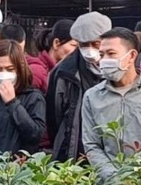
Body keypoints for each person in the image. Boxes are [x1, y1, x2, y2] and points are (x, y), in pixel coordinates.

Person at [81, 28, 141, 183]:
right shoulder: (92, 96)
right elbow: (92, 145)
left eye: (111, 54)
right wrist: (114, 179)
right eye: (101, 55)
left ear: (132, 55)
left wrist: (140, 178)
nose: (103, 60)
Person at [46, 11, 110, 162]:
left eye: (95, 44)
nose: (89, 50)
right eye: (83, 44)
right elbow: (54, 117)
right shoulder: (63, 72)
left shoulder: (118, 67)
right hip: (74, 149)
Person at [0, 40, 46, 155]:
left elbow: (35, 135)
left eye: (10, 69)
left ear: (20, 69)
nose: (3, 73)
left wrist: (12, 103)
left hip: (20, 169)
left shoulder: (34, 97)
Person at [28, 19, 76, 94]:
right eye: (74, 45)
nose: (77, 51)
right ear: (56, 43)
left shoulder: (64, 71)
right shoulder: (36, 71)